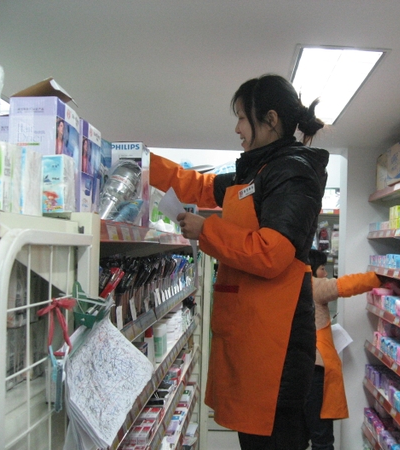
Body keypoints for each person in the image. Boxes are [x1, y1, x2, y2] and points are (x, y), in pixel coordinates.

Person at [149, 74, 329, 449]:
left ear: (271, 119)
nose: (237, 129)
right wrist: (140, 162)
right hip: (255, 339)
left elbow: (271, 253)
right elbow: (199, 186)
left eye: (243, 118)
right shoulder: (258, 170)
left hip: (276, 350)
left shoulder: (293, 172)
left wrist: (207, 230)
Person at [301, 249, 382, 450]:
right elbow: (345, 285)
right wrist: (379, 278)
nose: (325, 273)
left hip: (298, 366)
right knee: (321, 436)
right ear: (312, 269)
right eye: (322, 268)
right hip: (315, 369)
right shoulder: (312, 285)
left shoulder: (290, 286)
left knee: (300, 434)